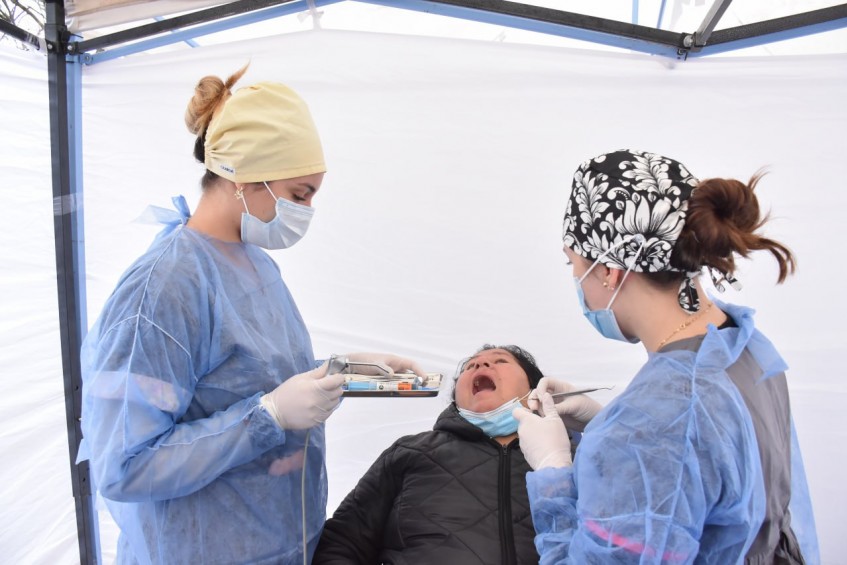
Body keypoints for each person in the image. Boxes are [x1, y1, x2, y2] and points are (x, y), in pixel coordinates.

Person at [76, 64, 423, 565]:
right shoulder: (164, 288)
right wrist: (267, 417)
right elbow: (125, 465)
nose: (307, 210)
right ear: (244, 176)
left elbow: (251, 378)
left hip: (282, 544)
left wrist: (348, 373)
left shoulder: (253, 263)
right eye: (300, 194)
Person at [513, 149, 819, 563]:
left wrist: (554, 471)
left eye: (573, 263)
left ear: (608, 271)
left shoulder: (650, 425)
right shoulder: (743, 346)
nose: (575, 279)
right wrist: (605, 423)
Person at [313, 344, 556, 565]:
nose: (480, 364)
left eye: (501, 361)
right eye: (470, 366)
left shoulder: (567, 457)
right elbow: (342, 543)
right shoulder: (412, 451)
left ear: (535, 388)